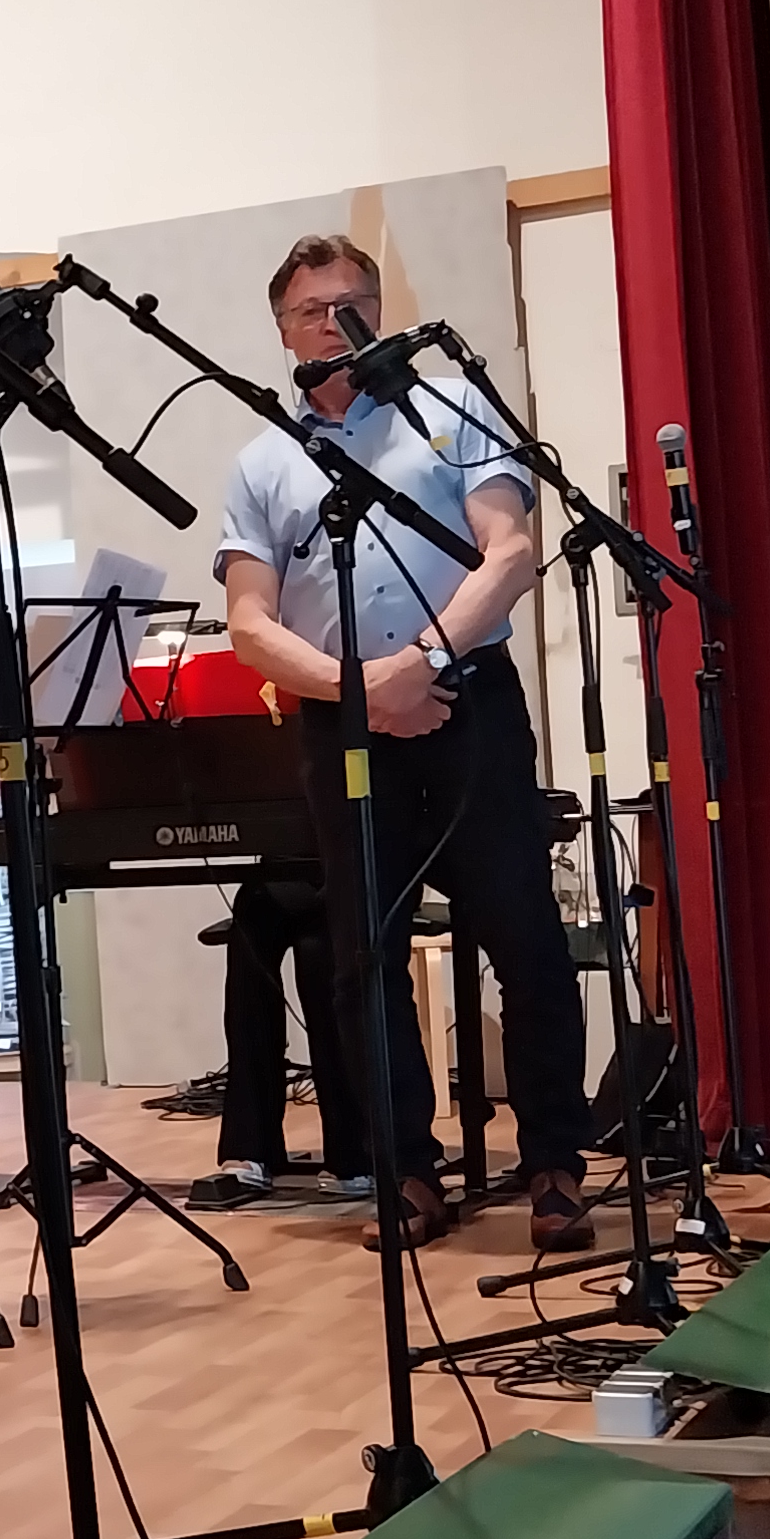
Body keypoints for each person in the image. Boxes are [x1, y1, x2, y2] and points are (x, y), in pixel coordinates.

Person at [212, 230, 590, 1252]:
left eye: (356, 304)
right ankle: (406, 1172)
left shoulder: (453, 409)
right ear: (284, 331)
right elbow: (250, 623)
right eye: (314, 310)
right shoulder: (264, 459)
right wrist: (364, 691)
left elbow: (509, 553)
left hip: (469, 702)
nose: (338, 324)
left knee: (525, 937)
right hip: (344, 725)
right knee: (362, 956)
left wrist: (418, 664)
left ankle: (555, 1162)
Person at [195, 868, 367, 1208]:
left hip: (348, 876)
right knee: (251, 914)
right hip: (281, 876)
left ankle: (353, 1152)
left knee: (320, 956)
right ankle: (250, 1148)